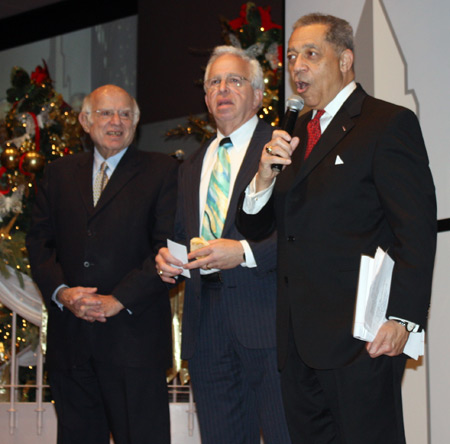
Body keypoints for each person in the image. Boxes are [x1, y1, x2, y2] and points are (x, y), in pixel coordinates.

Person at [236, 13, 436, 444]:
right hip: (297, 339)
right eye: (291, 56)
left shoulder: (385, 123)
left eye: (311, 53)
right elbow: (253, 225)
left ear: (345, 60)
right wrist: (263, 180)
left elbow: (415, 229)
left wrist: (403, 317)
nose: (298, 66)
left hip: (360, 337)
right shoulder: (292, 136)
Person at [26, 84, 178, 444]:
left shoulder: (163, 171)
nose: (116, 121)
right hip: (72, 342)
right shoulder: (58, 173)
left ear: (136, 121)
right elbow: (38, 241)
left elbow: (169, 247)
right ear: (85, 121)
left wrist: (117, 300)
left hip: (135, 342)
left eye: (125, 114)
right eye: (106, 113)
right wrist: (64, 293)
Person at [155, 46, 291, 444]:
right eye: (214, 82)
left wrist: (245, 253)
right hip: (206, 328)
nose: (223, 89)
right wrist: (168, 259)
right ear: (205, 97)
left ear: (258, 94)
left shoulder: (282, 147)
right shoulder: (193, 164)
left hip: (267, 320)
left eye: (235, 80)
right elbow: (183, 234)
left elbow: (304, 233)